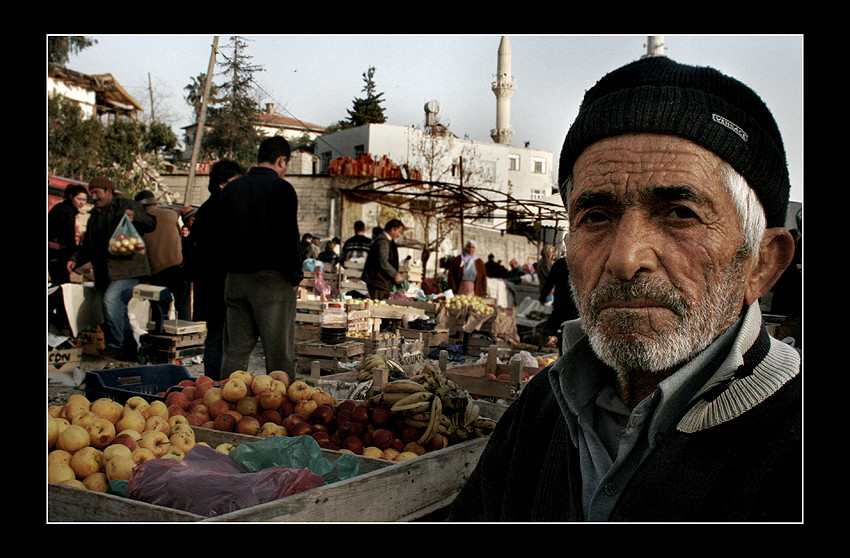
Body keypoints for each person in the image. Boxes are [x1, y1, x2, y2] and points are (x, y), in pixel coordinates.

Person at [448, 56, 801, 522]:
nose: (624, 258)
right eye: (595, 217)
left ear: (761, 263)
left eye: (679, 213)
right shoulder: (541, 411)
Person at [218, 136, 303, 376]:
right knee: (279, 357)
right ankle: (283, 409)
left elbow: (220, 236)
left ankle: (225, 406)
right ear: (281, 160)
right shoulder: (281, 188)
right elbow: (289, 239)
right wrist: (295, 276)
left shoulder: (232, 188)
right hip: (272, 284)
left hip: (235, 281)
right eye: (286, 165)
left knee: (235, 353)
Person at [66, 176, 157, 360]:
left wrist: (135, 216)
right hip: (106, 273)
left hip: (129, 269)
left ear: (108, 192)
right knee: (115, 309)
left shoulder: (125, 204)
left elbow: (151, 223)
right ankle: (129, 348)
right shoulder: (95, 216)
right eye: (91, 193)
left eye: (97, 192)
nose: (94, 196)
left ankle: (116, 345)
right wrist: (75, 259)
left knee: (111, 301)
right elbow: (88, 245)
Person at [188, 158, 245, 380]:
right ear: (222, 183)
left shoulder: (205, 209)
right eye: (236, 181)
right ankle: (229, 386)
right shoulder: (227, 208)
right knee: (233, 340)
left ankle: (211, 385)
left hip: (208, 284)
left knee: (214, 336)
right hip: (224, 283)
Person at [134, 190, 191, 322]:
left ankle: (159, 333)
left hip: (157, 270)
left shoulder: (139, 219)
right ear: (155, 202)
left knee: (160, 308)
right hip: (179, 265)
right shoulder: (171, 214)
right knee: (183, 304)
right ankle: (186, 331)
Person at [48, 184, 89, 285]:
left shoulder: (63, 208)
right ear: (71, 197)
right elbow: (68, 236)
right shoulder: (66, 211)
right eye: (79, 199)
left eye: (84, 200)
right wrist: (76, 256)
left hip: (54, 251)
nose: (82, 202)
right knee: (62, 284)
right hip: (57, 253)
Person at [537, 254, 579, 351]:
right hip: (574, 303)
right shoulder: (580, 263)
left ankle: (561, 351)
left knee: (561, 330)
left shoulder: (559, 263)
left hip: (561, 303)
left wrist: (542, 298)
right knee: (572, 329)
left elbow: (549, 282)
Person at [362, 219, 405, 300]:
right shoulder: (383, 242)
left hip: (381, 282)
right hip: (378, 282)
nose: (399, 235)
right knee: (378, 306)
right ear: (393, 229)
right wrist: (395, 274)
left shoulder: (387, 241)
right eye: (399, 231)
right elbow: (383, 261)